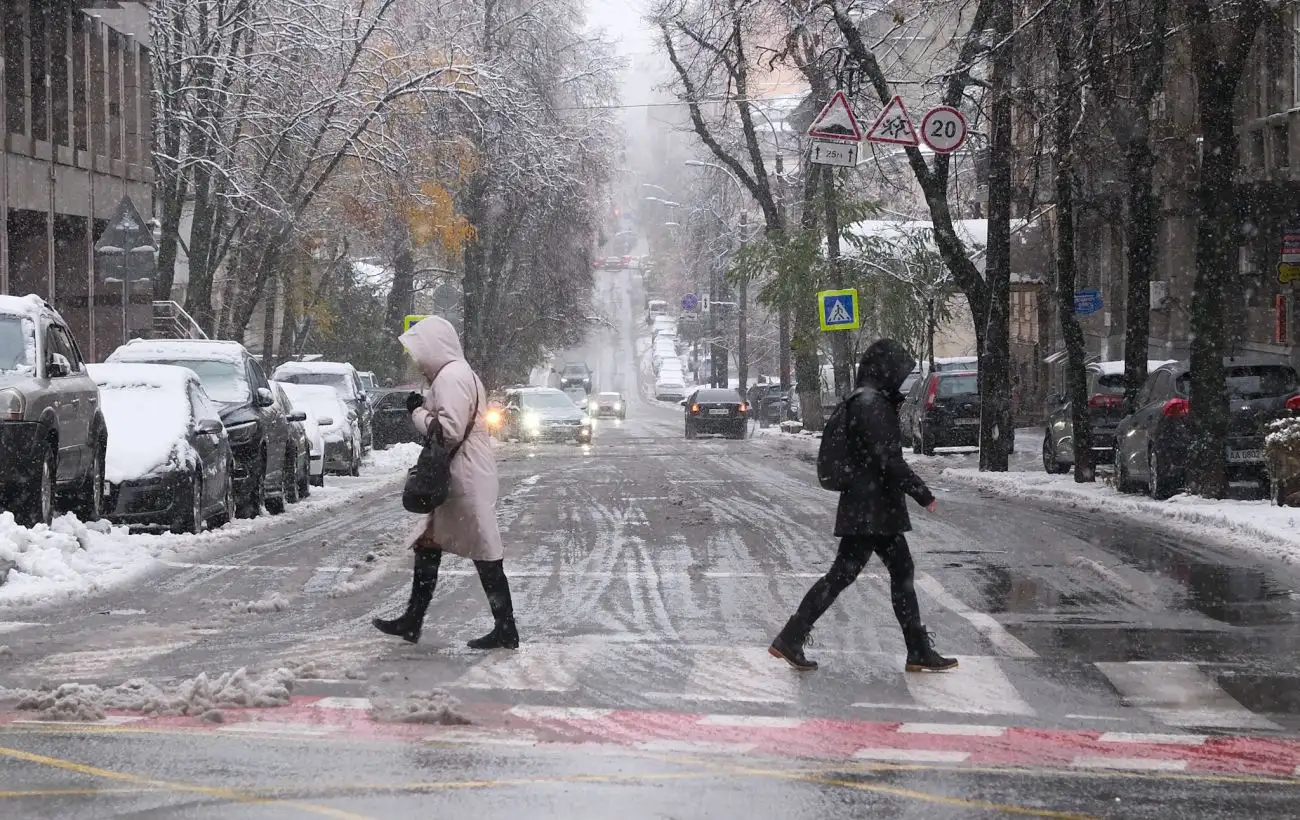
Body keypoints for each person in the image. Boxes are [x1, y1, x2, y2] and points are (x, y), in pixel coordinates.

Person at [769, 338, 956, 673]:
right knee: (868, 574)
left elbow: (878, 457)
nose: (901, 378)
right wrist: (922, 492)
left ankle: (794, 636)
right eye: (899, 371)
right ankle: (793, 636)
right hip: (873, 508)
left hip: (868, 506)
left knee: (880, 573)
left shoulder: (868, 399)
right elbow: (887, 458)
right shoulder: (871, 403)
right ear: (886, 371)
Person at [373, 316, 519, 650]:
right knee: (429, 544)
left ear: (434, 347)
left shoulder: (451, 377)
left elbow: (448, 431)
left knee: (485, 551)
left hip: (465, 476)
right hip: (464, 473)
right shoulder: (457, 374)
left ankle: (506, 627)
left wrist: (417, 413)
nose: (418, 360)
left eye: (420, 351)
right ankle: (413, 619)